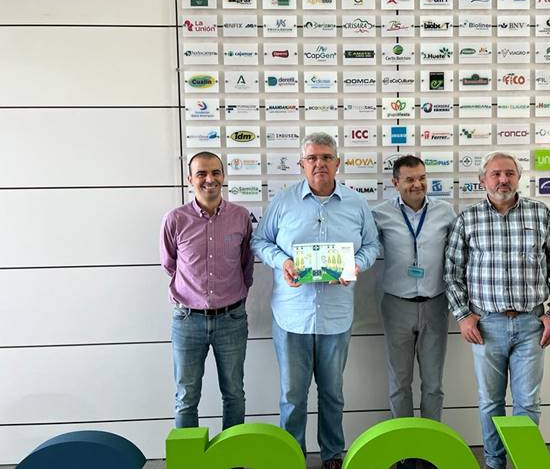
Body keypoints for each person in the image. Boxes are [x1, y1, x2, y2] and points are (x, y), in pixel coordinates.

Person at [251, 133, 379, 469]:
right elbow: (260, 241)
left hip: (336, 317)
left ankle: (332, 455)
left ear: (338, 163)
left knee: (332, 394)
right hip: (291, 317)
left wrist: (356, 265)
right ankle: (291, 455)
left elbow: (372, 245)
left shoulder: (356, 203)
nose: (319, 163)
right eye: (312, 158)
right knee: (292, 396)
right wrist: (283, 261)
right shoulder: (283, 202)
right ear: (301, 164)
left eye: (326, 157)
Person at [444, 151, 550, 469]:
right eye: (496, 174)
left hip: (532, 325)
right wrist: (463, 315)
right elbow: (452, 272)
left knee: (528, 402)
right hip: (486, 325)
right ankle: (494, 462)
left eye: (509, 173)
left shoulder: (540, 214)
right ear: (482, 180)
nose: (503, 180)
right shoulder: (467, 219)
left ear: (518, 177)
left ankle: (524, 462)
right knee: (490, 402)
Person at [160, 151, 253, 431]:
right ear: (190, 179)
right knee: (186, 398)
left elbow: (246, 264)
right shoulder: (175, 219)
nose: (209, 179)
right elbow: (169, 264)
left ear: (223, 176)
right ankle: (191, 455)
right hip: (188, 321)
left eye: (215, 172)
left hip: (231, 319)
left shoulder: (240, 217)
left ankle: (231, 455)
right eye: (201, 173)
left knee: (234, 394)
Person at [372, 155, 456, 469]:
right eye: (409, 179)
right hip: (397, 305)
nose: (417, 184)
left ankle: (430, 449)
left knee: (433, 384)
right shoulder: (380, 214)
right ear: (395, 183)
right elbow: (363, 248)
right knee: (399, 383)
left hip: (435, 303)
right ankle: (405, 451)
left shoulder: (445, 212)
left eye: (421, 177)